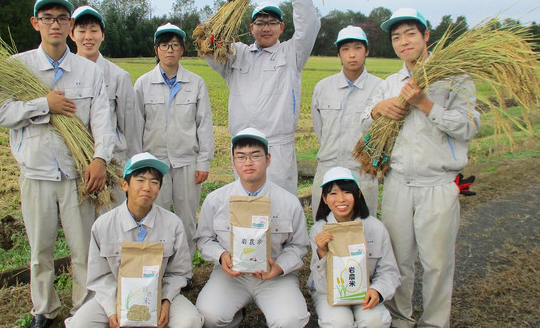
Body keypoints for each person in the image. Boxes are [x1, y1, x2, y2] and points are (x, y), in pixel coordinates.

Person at [0, 0, 114, 328]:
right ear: (36, 23)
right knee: (40, 250)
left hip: (78, 176)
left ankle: (85, 309)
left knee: (83, 249)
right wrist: (44, 105)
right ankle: (43, 309)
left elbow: (104, 120)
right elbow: (1, 113)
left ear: (70, 25)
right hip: (37, 173)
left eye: (62, 18)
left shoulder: (87, 72)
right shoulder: (16, 68)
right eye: (48, 18)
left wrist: (100, 158)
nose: (55, 24)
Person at [360, 8, 480, 328]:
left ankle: (434, 322)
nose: (403, 41)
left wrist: (426, 104)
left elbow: (468, 127)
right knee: (398, 259)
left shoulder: (454, 78)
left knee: (437, 263)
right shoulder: (389, 84)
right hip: (398, 182)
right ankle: (400, 318)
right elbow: (363, 124)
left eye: (410, 33)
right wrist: (377, 109)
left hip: (438, 183)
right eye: (396, 36)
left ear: (426, 36)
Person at [205, 0, 321, 194]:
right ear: (251, 27)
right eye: (260, 22)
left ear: (282, 27)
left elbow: (309, 23)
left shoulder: (292, 54)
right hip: (243, 148)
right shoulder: (237, 54)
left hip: (277, 149)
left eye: (272, 22)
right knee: (244, 210)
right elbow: (208, 46)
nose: (266, 27)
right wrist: (228, 9)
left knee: (280, 211)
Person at [65, 152, 203, 328]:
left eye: (154, 182)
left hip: (159, 294)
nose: (147, 187)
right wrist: (112, 310)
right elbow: (100, 276)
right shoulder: (103, 225)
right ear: (125, 185)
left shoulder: (172, 224)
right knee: (80, 324)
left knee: (190, 321)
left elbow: (179, 272)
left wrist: (166, 300)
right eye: (140, 180)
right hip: (115, 296)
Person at [195, 128, 310, 328]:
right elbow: (204, 239)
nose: (248, 163)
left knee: (290, 320)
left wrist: (279, 267)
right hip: (231, 277)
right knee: (208, 315)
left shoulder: (288, 202)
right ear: (233, 161)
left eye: (255, 156)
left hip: (274, 278)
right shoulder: (216, 200)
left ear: (268, 159)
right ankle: (235, 314)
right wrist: (222, 256)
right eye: (241, 157)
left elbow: (299, 246)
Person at [133, 23, 214, 258]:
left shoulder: (196, 83)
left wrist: (203, 162)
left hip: (187, 162)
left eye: (176, 45)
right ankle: (158, 265)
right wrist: (139, 164)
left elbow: (204, 124)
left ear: (182, 50)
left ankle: (184, 267)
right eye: (165, 45)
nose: (170, 50)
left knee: (186, 218)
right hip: (154, 164)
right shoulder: (143, 84)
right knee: (154, 217)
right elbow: (136, 127)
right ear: (156, 49)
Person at [308, 166, 400, 328]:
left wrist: (377, 290)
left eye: (347, 192)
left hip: (365, 290)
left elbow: (389, 270)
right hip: (329, 292)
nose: (341, 199)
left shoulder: (375, 227)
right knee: (338, 322)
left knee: (375, 320)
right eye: (333, 193)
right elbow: (320, 285)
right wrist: (322, 253)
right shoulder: (319, 229)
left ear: (358, 194)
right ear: (324, 199)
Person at [70, 5, 142, 204]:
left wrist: (133, 168)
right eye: (82, 31)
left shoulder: (119, 76)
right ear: (71, 34)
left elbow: (131, 128)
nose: (88, 37)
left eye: (94, 30)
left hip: (113, 163)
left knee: (113, 223)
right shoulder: (63, 76)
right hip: (76, 163)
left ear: (102, 35)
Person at [311, 26, 382, 216]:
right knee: (323, 228)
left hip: (362, 172)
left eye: (357, 48)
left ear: (366, 51)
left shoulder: (381, 88)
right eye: (345, 49)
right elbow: (320, 129)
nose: (352, 55)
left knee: (362, 230)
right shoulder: (323, 88)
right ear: (339, 54)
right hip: (327, 168)